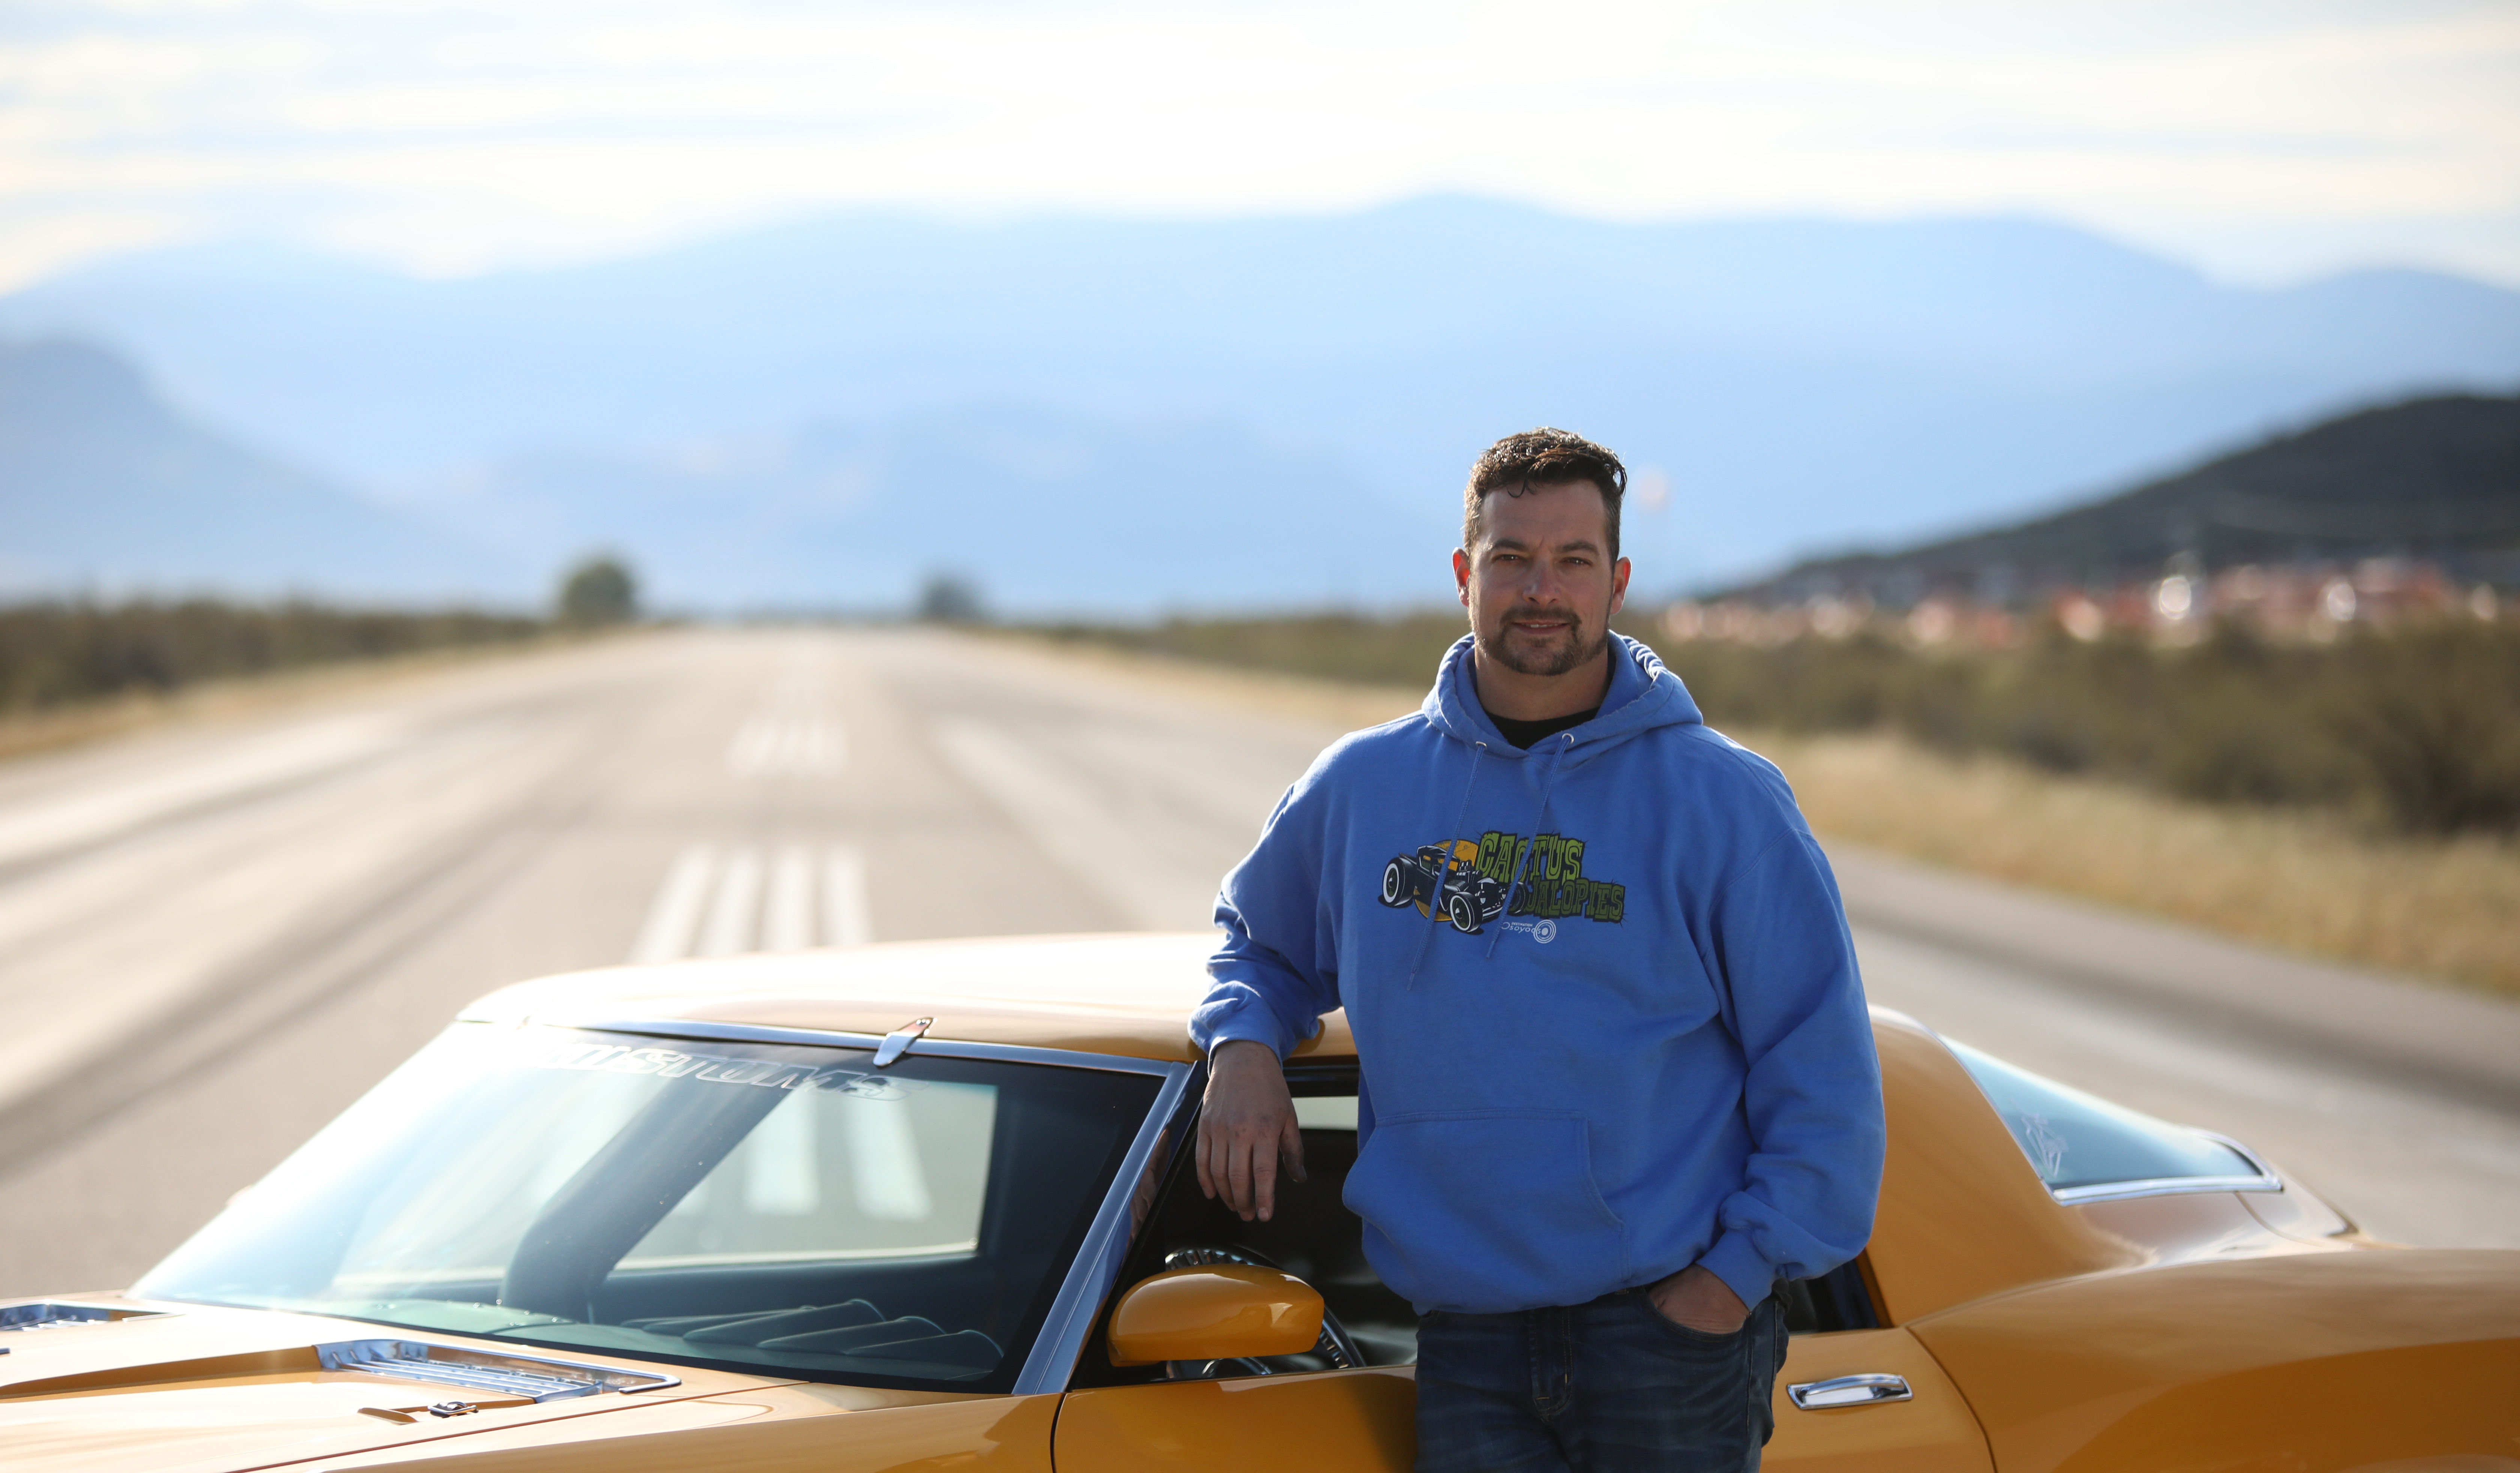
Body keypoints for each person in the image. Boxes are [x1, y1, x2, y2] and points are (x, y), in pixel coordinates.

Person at [1191, 428, 1886, 1472]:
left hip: (1666, 1340)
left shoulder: (1723, 801)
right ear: (1467, 574)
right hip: (1466, 1337)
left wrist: (1730, 1282)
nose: (1541, 589)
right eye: (1513, 558)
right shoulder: (1364, 788)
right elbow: (1256, 943)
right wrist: (1241, 1048)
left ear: (1618, 583)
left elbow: (1822, 1070)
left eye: (1574, 561)